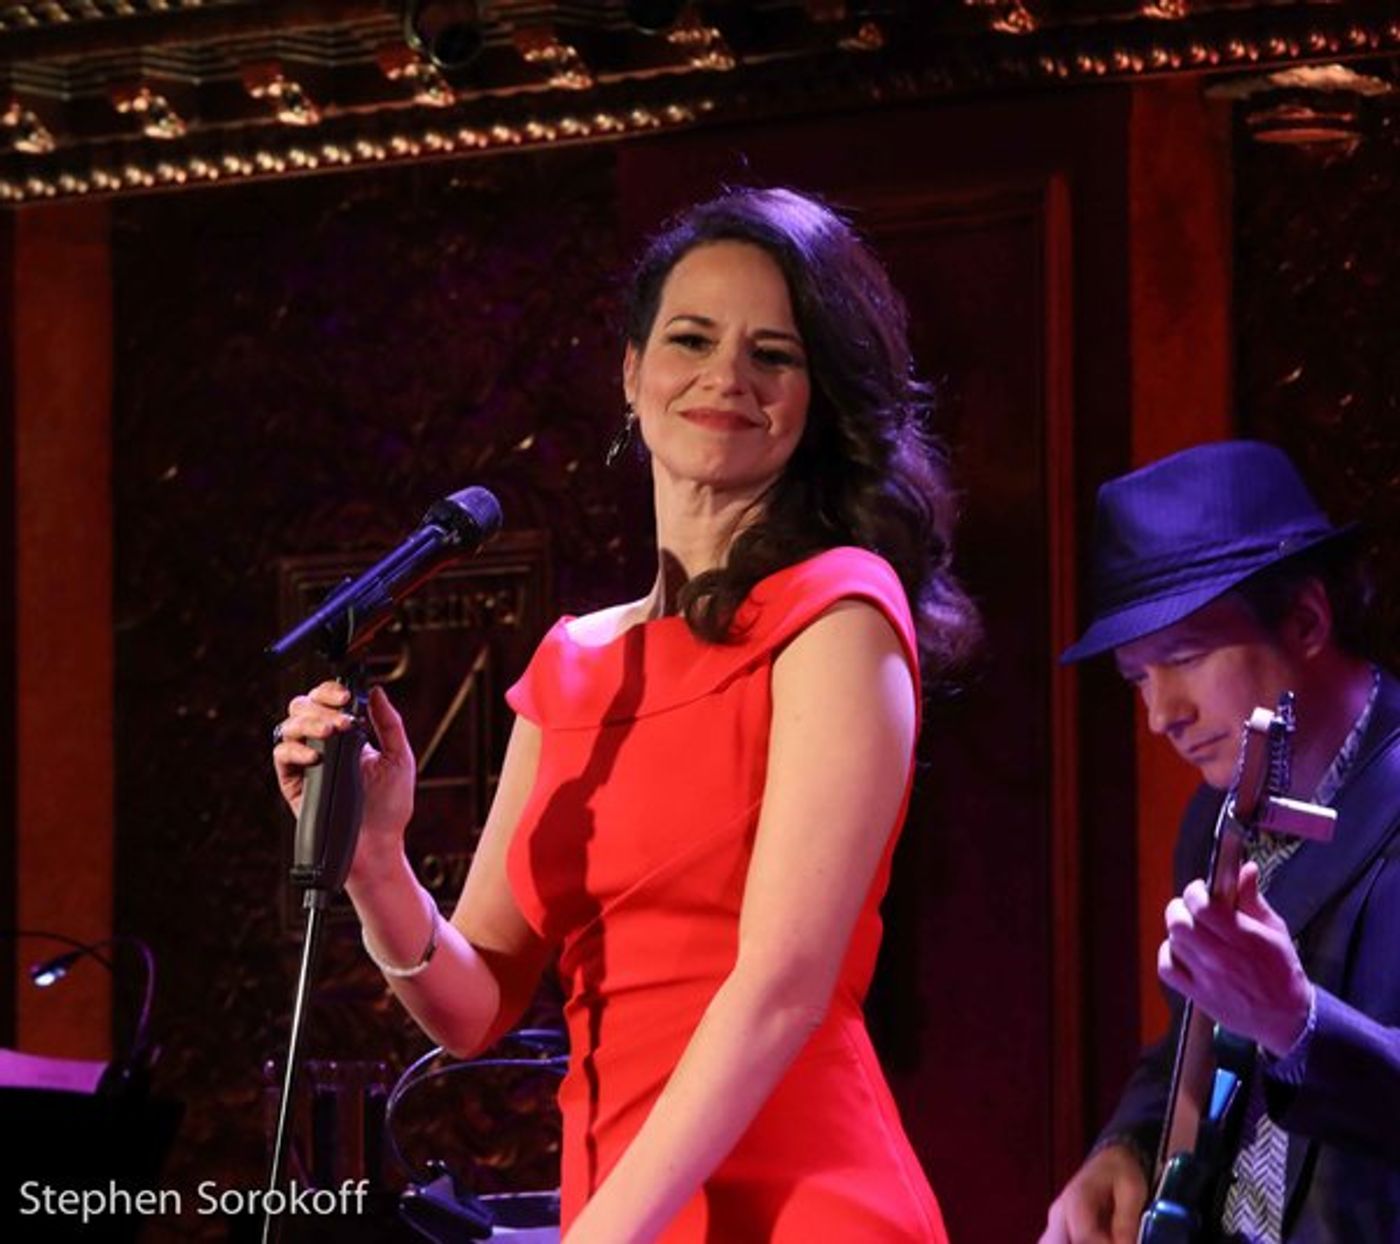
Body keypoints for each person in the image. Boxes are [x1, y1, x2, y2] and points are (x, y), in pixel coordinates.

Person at [273, 187, 979, 1243]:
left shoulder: (837, 611)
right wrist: (376, 858)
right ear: (629, 373)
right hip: (618, 1198)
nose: (725, 377)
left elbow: (781, 986)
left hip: (796, 1200)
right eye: (690, 338)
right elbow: (471, 1007)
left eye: (772, 355)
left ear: (815, 395)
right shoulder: (572, 661)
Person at [1041, 440, 1400, 1244]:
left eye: (1185, 657)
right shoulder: (1215, 817)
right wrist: (1125, 1146)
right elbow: (1195, 1034)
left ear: (1306, 619)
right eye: (1138, 676)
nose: (1160, 713)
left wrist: (1297, 1022)